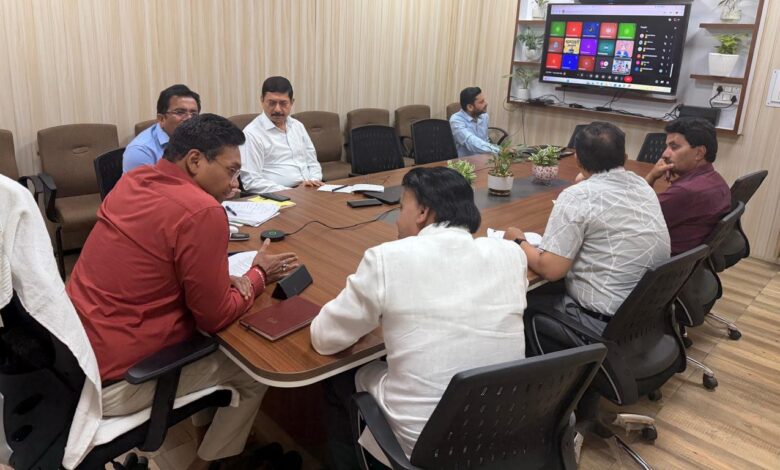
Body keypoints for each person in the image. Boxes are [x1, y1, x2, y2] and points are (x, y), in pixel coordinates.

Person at [67, 114, 299, 470]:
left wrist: (219, 279)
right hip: (117, 381)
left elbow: (154, 261)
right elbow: (215, 316)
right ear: (195, 160)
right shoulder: (201, 210)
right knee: (254, 369)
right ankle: (205, 464)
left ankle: (209, 435)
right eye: (231, 171)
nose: (234, 184)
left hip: (75, 357)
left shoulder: (132, 182)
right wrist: (258, 275)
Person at [311, 167, 528, 466]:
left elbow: (324, 339)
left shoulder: (386, 258)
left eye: (402, 208)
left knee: (336, 377)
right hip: (499, 427)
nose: (397, 219)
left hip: (425, 445)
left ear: (423, 212)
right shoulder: (511, 254)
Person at [505, 121, 669, 342]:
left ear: (578, 160)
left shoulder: (578, 196)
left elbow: (551, 270)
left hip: (597, 325)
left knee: (513, 305)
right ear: (624, 157)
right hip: (641, 320)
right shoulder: (643, 186)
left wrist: (517, 240)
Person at [645, 117, 731, 255]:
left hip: (661, 262)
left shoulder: (685, 191)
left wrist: (651, 176)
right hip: (688, 260)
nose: (664, 154)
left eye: (674, 147)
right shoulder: (716, 181)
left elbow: (635, 218)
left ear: (699, 153)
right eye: (667, 147)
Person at [239, 76, 323, 193]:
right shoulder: (252, 133)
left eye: (283, 103)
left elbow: (312, 162)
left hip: (309, 189)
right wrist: (291, 192)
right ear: (262, 100)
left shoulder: (297, 126)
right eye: (272, 103)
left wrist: (314, 180)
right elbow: (251, 181)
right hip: (278, 195)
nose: (277, 109)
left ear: (292, 102)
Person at [123, 84, 201, 172]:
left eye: (194, 114)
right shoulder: (141, 151)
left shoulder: (200, 137)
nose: (189, 118)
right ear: (161, 119)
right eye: (180, 112)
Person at [449, 86, 501, 157]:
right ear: (470, 107)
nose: (486, 103)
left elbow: (485, 140)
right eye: (481, 102)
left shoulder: (484, 116)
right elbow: (471, 142)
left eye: (484, 100)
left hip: (484, 159)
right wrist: (499, 150)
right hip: (465, 162)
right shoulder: (456, 120)